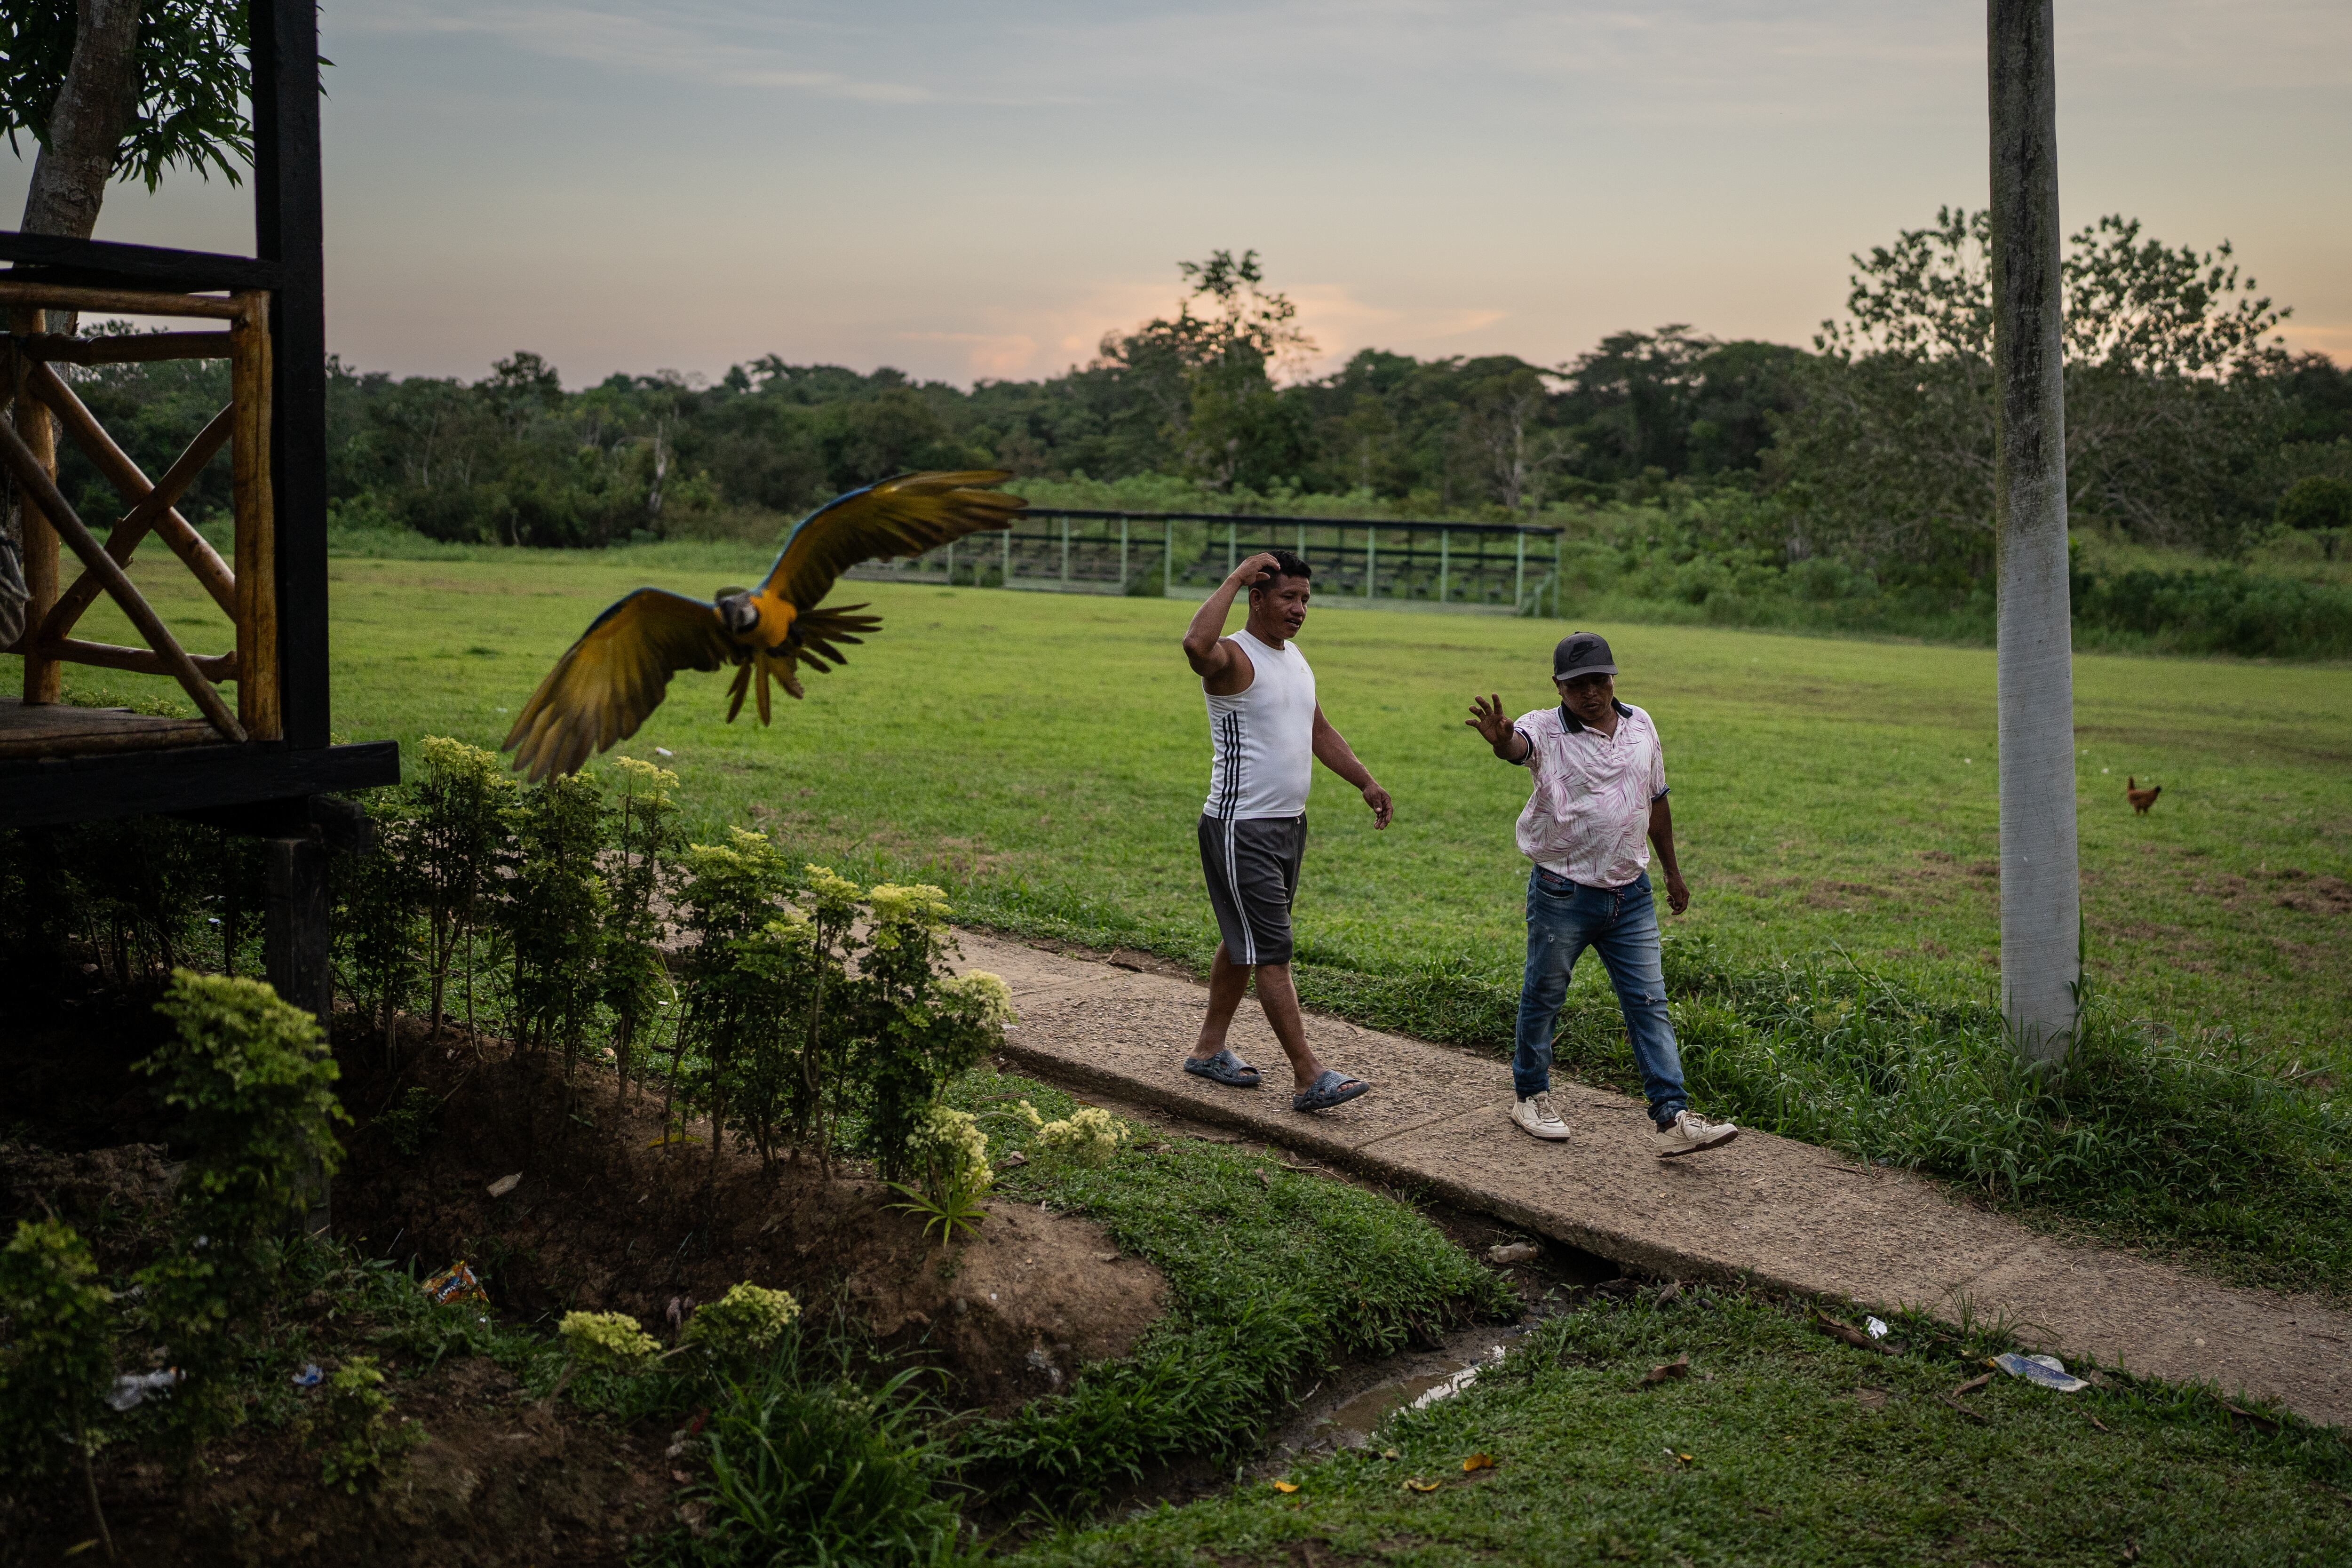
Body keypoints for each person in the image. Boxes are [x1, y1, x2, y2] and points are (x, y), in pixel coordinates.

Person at [1465, 631, 1738, 1155]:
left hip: (1630, 894)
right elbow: (1518, 747)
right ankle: (1530, 1095)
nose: (1590, 693)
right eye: (1577, 685)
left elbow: (1656, 800)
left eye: (1599, 681)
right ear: (1558, 686)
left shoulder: (1641, 725)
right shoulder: (1543, 727)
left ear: (1613, 678)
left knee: (1649, 1003)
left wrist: (1672, 872)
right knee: (1544, 995)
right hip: (1562, 892)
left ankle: (1673, 1117)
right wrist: (1501, 740)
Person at [1180, 549, 1391, 1113]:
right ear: (1256, 599)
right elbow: (1195, 646)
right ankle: (1308, 1075)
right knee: (1271, 950)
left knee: (1246, 940)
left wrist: (1365, 781)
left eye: (1305, 599)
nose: (1299, 609)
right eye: (1287, 598)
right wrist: (1234, 576)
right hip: (1239, 826)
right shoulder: (1232, 656)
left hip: (1287, 826)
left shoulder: (1293, 658)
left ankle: (1207, 1050)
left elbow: (1317, 729)